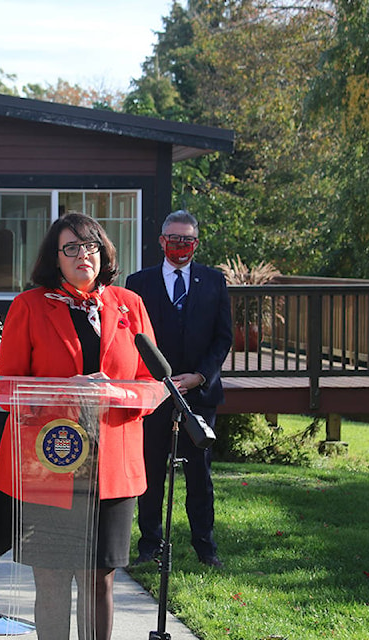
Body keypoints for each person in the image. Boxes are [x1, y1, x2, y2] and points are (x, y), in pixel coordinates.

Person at [0, 213, 157, 640]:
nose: (83, 255)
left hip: (111, 466)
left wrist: (114, 395)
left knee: (99, 578)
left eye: (91, 246)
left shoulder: (128, 304)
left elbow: (153, 385)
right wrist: (68, 390)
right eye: (71, 248)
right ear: (55, 258)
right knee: (51, 578)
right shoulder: (28, 307)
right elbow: (6, 387)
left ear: (104, 253)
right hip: (51, 462)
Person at [126, 210, 233, 567]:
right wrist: (156, 378)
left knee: (199, 475)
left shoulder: (214, 281)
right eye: (174, 239)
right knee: (152, 471)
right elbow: (132, 339)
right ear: (161, 241)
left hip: (200, 395)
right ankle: (150, 544)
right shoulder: (138, 283)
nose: (180, 245)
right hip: (154, 392)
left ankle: (205, 547)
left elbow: (223, 339)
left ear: (196, 243)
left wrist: (200, 376)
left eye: (187, 239)